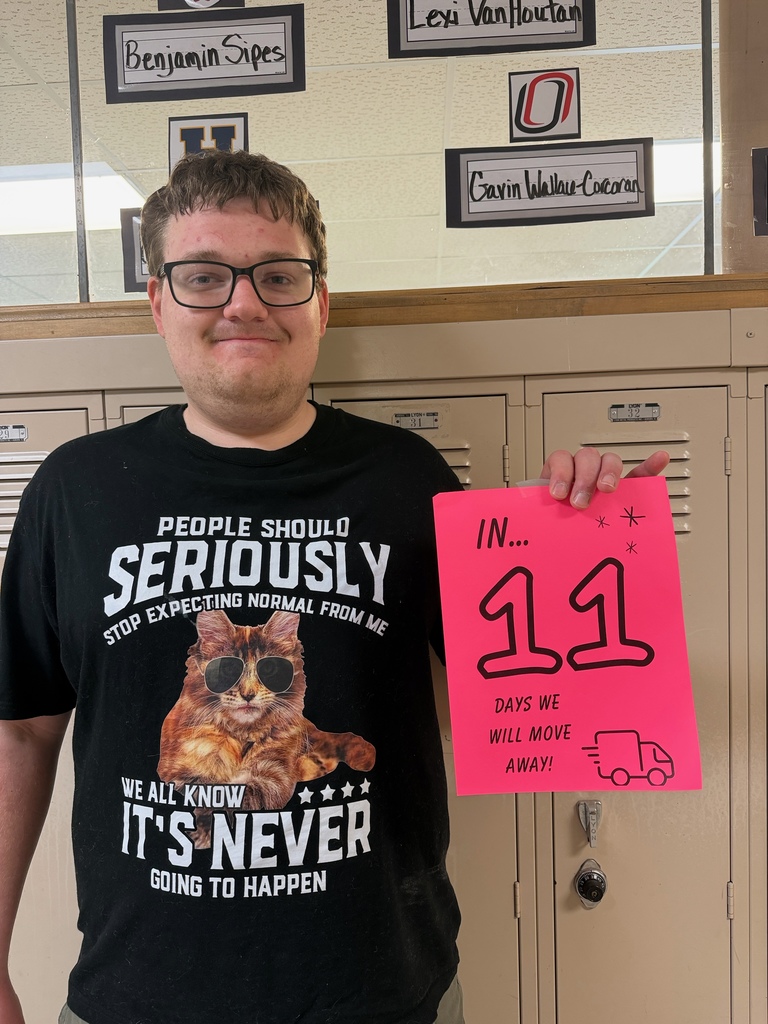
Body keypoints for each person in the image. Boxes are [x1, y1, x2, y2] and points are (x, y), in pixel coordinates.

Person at [0, 150, 668, 1024]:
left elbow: (527, 702)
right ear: (159, 301)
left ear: (321, 301)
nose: (242, 302)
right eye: (204, 276)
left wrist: (585, 540)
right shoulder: (74, 488)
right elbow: (20, 736)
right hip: (135, 999)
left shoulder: (406, 477)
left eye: (278, 275)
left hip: (383, 996)